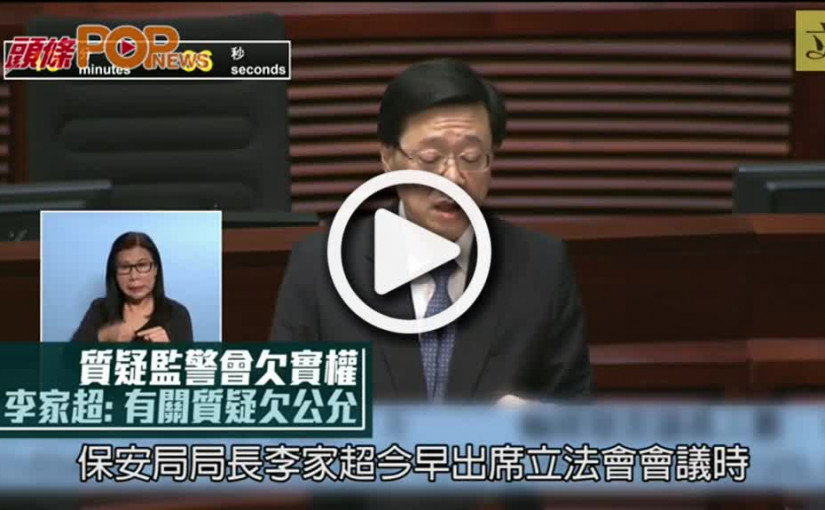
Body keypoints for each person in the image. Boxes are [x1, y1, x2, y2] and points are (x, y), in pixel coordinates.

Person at [272, 56, 591, 510]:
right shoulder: (320, 265)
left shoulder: (540, 265)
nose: (453, 177)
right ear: (388, 159)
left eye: (471, 158)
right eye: (430, 157)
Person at [70, 231, 193, 344]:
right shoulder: (100, 309)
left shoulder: (177, 314)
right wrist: (104, 336)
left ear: (155, 269)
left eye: (142, 265)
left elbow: (189, 360)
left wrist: (169, 351)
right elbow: (69, 357)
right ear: (114, 273)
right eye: (124, 267)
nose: (134, 276)